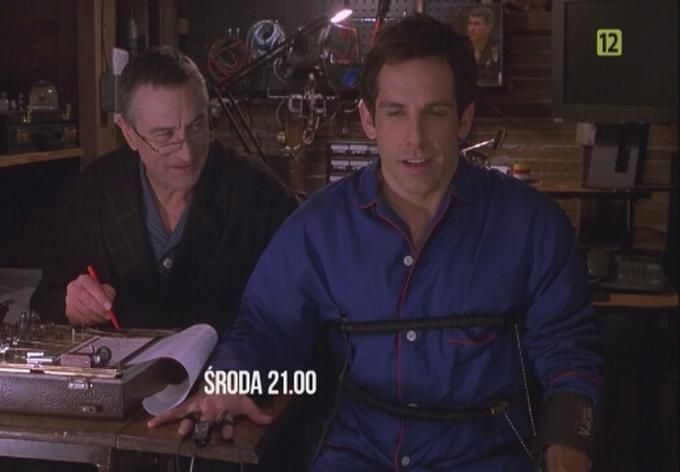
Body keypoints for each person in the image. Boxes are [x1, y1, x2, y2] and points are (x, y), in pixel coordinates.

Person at [149, 15, 602, 471]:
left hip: (485, 457)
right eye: (395, 112)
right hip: (356, 455)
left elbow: (568, 348)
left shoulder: (532, 224)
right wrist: (229, 383)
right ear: (368, 119)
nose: (415, 139)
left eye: (435, 112)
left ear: (464, 118)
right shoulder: (317, 228)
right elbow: (265, 328)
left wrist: (569, 441)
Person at [30, 46, 298, 336]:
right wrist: (70, 304)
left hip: (228, 363)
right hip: (121, 362)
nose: (186, 153)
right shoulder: (97, 190)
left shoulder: (259, 192)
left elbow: (305, 303)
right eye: (165, 135)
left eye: (197, 127)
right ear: (129, 133)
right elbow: (45, 299)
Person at [467, 6, 501, 83]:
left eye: (477, 24)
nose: (471, 29)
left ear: (489, 28)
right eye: (470, 23)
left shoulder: (498, 49)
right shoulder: (462, 48)